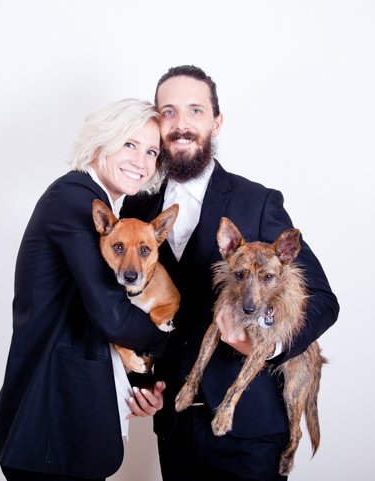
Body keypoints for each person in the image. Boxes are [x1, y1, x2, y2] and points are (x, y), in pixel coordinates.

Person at [122, 66, 340, 481]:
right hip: (174, 426)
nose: (181, 124)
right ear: (156, 122)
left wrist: (268, 346)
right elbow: (136, 312)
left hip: (251, 429)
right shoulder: (137, 211)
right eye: (168, 112)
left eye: (195, 111)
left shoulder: (257, 202)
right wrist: (143, 380)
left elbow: (325, 303)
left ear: (216, 122)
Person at [0, 98, 170, 481]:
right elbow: (111, 314)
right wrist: (165, 342)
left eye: (151, 151)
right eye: (129, 144)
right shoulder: (75, 198)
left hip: (69, 416)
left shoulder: (109, 207)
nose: (141, 160)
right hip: (51, 416)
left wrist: (143, 379)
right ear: (101, 142)